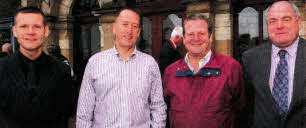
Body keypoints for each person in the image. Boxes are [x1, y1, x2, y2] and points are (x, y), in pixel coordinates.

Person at [76, 8, 167, 128]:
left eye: (134, 26)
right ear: (114, 28)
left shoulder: (150, 64)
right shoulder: (95, 63)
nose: (129, 30)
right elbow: (84, 112)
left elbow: (158, 107)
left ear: (138, 32)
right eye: (125, 24)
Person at [163, 14, 245, 128]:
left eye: (201, 33)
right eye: (190, 34)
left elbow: (241, 110)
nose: (196, 39)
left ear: (210, 37)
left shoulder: (231, 67)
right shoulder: (170, 72)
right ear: (184, 38)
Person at [0, 7, 73, 128]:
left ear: (46, 31)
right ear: (14, 31)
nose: (30, 32)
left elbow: (66, 114)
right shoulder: (1, 69)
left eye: (37, 27)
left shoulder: (62, 71)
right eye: (23, 26)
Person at [242, 1, 304, 128]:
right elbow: (246, 107)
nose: (279, 26)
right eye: (273, 21)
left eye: (286, 19)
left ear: (298, 22)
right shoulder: (250, 58)